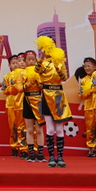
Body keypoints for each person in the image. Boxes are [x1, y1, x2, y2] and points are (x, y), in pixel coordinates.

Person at [34, 37, 72, 168]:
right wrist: (42, 56)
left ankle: (60, 156)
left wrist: (58, 68)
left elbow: (64, 77)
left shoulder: (60, 62)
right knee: (50, 129)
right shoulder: (42, 62)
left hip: (58, 96)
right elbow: (36, 71)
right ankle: (51, 156)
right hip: (46, 95)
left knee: (60, 129)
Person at [21, 50, 45, 163]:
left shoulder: (40, 72)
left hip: (39, 102)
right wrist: (28, 84)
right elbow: (18, 88)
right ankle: (31, 153)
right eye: (28, 60)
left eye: (33, 59)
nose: (31, 62)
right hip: (27, 101)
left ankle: (40, 153)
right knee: (29, 129)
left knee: (39, 129)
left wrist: (40, 85)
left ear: (36, 61)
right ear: (25, 61)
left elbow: (45, 86)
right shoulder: (22, 73)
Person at [3, 55, 27, 158]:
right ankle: (14, 147)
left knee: (23, 127)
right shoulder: (7, 76)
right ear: (10, 65)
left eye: (17, 62)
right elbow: (4, 90)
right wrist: (11, 88)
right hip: (10, 104)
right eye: (13, 63)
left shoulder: (24, 74)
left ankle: (24, 148)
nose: (16, 64)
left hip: (21, 103)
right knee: (12, 127)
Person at [75, 57, 96, 158]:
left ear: (94, 66)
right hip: (88, 106)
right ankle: (91, 148)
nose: (87, 68)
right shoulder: (84, 80)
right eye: (85, 66)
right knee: (90, 128)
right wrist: (87, 93)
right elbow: (80, 94)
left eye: (89, 66)